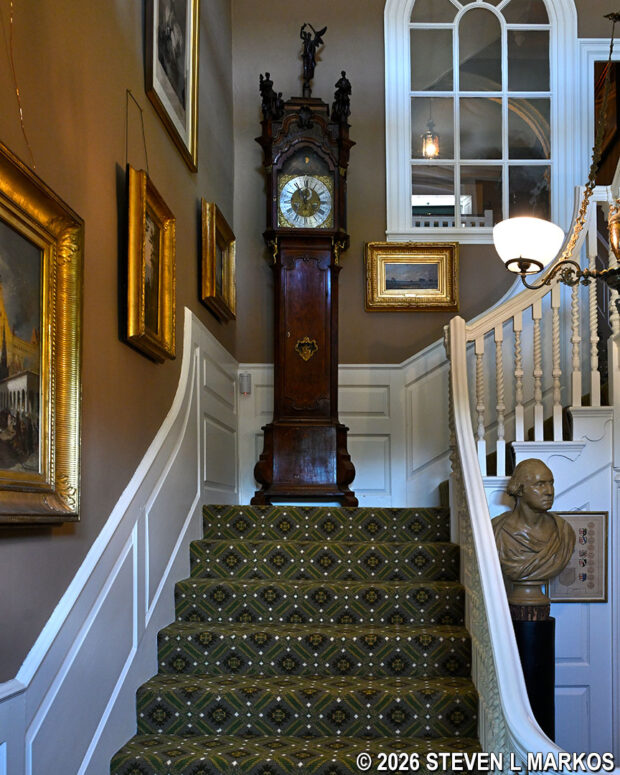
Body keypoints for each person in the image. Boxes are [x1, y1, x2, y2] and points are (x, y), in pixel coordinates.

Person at [492, 459, 575, 593]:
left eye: (551, 483)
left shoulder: (564, 532)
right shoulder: (496, 530)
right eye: (540, 484)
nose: (549, 491)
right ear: (519, 489)